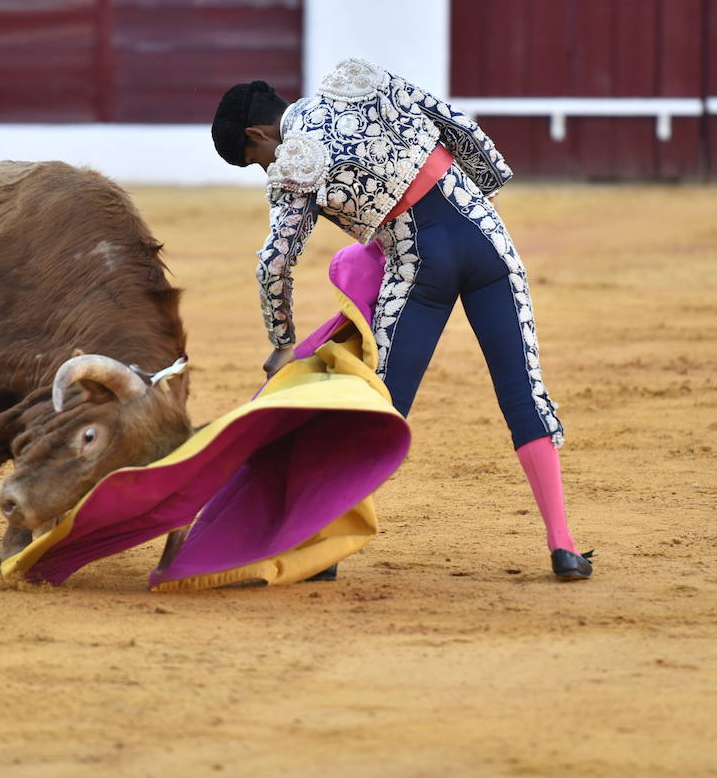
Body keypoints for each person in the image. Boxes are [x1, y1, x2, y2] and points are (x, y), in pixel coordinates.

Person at [210, 59, 594, 582]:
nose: (265, 167)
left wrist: (283, 341)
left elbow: (275, 262)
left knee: (379, 407)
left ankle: (325, 550)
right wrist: (478, 192)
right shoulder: (358, 81)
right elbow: (457, 124)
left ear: (257, 134)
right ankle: (563, 546)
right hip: (486, 241)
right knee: (524, 394)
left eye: (255, 159)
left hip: (418, 267)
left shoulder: (296, 158)